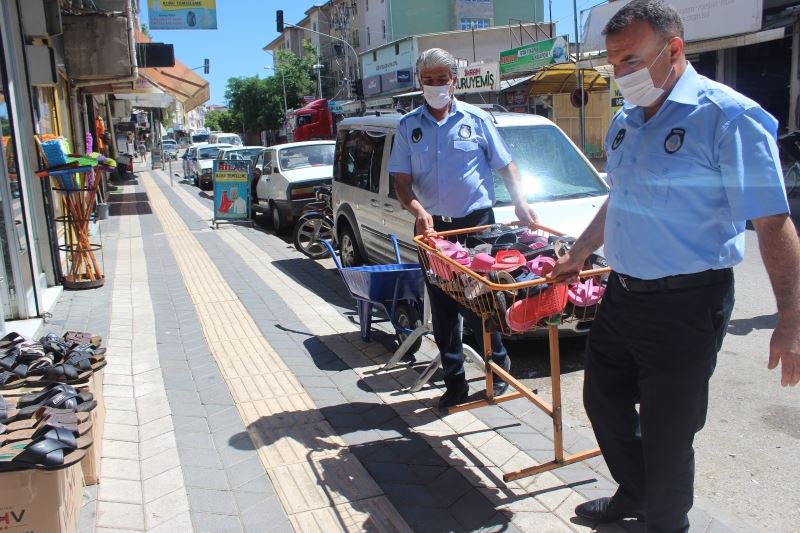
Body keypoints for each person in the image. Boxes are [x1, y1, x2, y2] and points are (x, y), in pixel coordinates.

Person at [547, 1, 800, 530]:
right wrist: (579, 253)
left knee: (668, 432)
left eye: (631, 61)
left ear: (675, 49)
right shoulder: (625, 120)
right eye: (613, 63)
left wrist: (791, 318)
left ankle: (667, 521)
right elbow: (621, 198)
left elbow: (773, 223)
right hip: (623, 295)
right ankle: (636, 494)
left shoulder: (728, 118)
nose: (620, 75)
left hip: (688, 302)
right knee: (603, 402)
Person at [388, 48, 538, 409]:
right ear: (420, 82)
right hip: (434, 232)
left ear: (455, 81)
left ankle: (498, 365)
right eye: (430, 80)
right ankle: (455, 382)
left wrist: (519, 201)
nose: (437, 86)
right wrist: (418, 210)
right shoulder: (409, 126)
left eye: (443, 80)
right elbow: (402, 184)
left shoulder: (478, 118)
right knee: (443, 310)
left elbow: (506, 166)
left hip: (476, 228)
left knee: (482, 303)